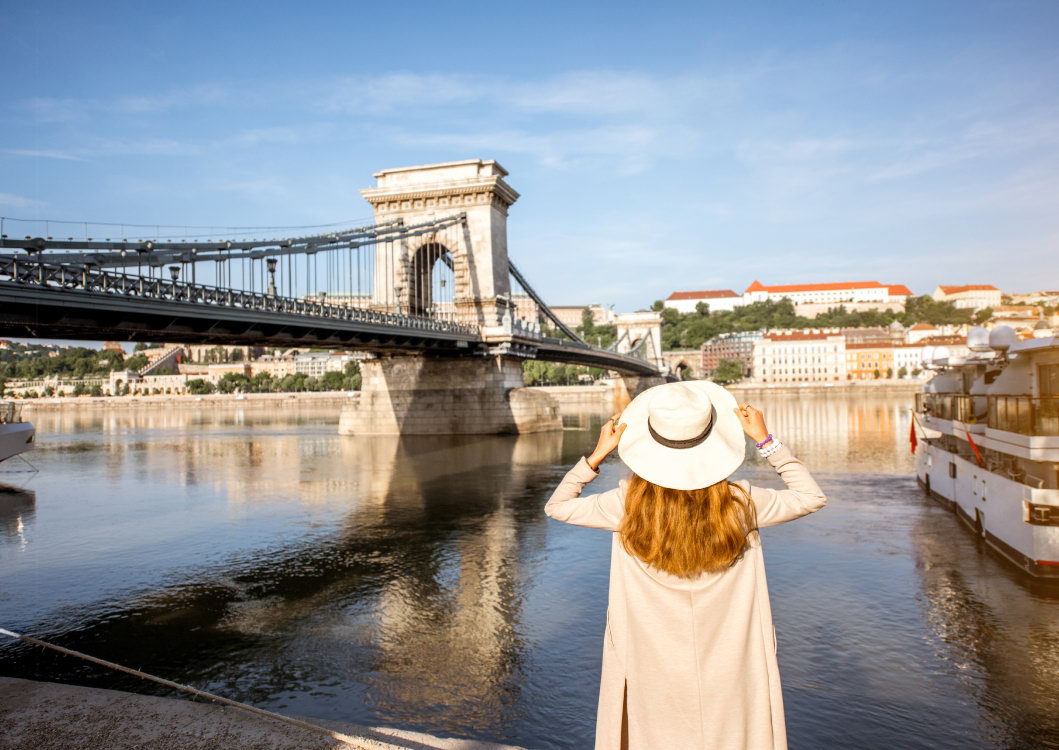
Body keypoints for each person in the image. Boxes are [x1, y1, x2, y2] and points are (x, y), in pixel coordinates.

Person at [544, 380, 826, 750]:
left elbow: (557, 506)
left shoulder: (627, 506)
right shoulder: (741, 503)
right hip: (730, 661)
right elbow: (810, 497)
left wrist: (597, 456)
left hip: (651, 663)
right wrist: (766, 441)